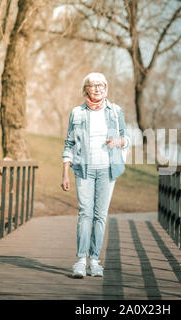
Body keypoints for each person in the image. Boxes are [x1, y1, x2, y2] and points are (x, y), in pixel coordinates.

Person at [60, 72, 130, 278]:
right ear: (86, 89)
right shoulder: (77, 113)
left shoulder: (115, 111)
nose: (97, 88)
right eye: (93, 85)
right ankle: (81, 261)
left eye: (101, 85)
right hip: (84, 169)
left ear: (106, 88)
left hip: (107, 170)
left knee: (100, 216)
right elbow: (69, 144)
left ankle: (95, 261)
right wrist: (65, 173)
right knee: (85, 213)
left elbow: (126, 137)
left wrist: (119, 142)